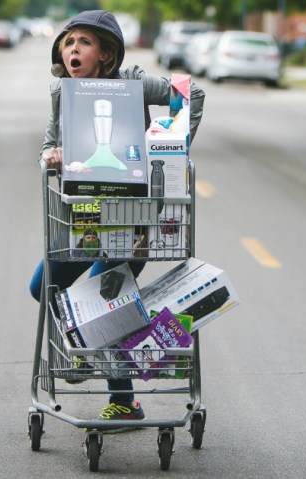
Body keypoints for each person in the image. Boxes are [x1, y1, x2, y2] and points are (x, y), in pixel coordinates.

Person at [29, 10, 205, 422]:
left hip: (132, 221)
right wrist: (49, 156)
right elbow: (48, 143)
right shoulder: (62, 93)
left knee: (99, 303)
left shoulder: (132, 83)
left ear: (105, 55)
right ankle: (83, 347)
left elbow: (189, 94)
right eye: (69, 43)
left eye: (84, 43)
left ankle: (124, 401)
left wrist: (170, 147)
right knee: (43, 285)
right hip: (84, 218)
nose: (73, 49)